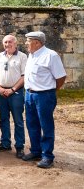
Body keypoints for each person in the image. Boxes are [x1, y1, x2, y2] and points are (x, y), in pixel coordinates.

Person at [22, 31, 67, 169]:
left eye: (28, 41)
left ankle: (47, 156)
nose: (25, 43)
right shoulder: (31, 55)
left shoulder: (51, 55)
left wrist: (51, 91)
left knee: (46, 126)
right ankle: (36, 151)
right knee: (31, 124)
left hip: (44, 96)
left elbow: (60, 77)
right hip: (29, 95)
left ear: (37, 42)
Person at [0, 35, 27, 158]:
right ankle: (5, 143)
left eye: (10, 42)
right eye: (5, 42)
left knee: (18, 120)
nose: (8, 44)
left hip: (16, 93)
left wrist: (12, 89)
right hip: (1, 93)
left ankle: (20, 147)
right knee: (3, 119)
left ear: (15, 43)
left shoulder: (22, 56)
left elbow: (24, 76)